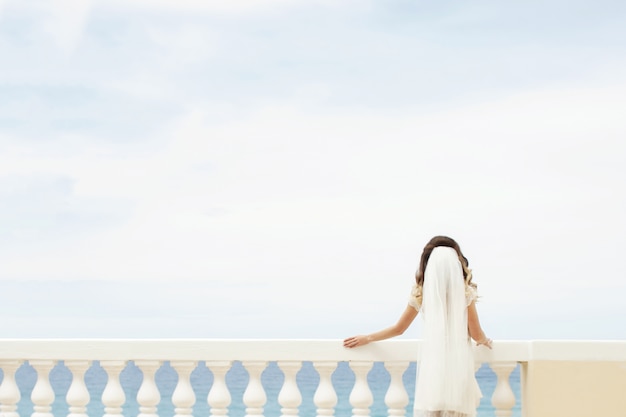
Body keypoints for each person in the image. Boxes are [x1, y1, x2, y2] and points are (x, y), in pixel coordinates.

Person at [343, 236, 492, 417]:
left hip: (434, 366)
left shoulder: (422, 293)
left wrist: (367, 338)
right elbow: (476, 334)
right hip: (458, 366)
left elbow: (399, 328)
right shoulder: (464, 293)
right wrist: (484, 339)